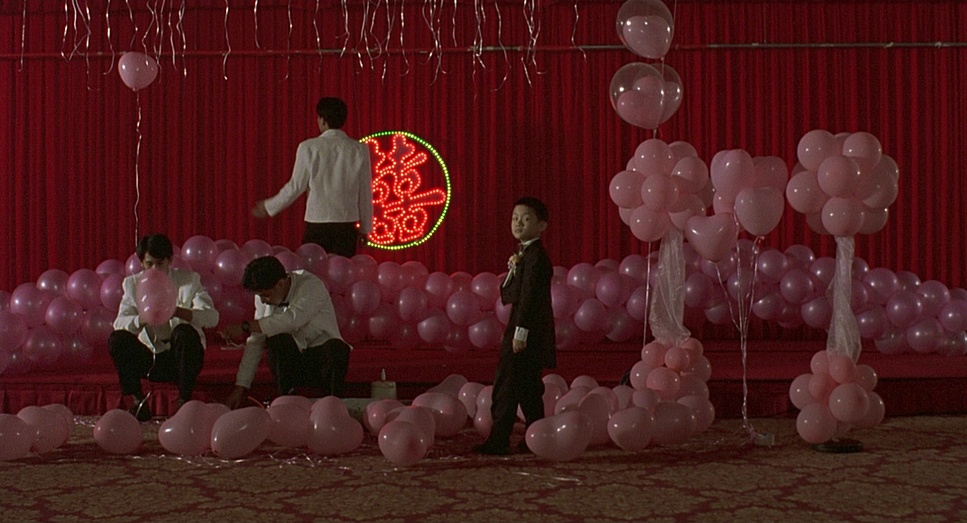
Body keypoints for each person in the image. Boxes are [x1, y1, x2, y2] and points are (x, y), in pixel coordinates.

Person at [474, 197, 556, 455]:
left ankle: (499, 439)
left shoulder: (536, 257)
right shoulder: (525, 254)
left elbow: (528, 299)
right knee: (528, 386)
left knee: (507, 383)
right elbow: (511, 294)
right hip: (527, 327)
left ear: (542, 225)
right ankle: (537, 437)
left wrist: (520, 332)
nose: (518, 223)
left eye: (526, 219)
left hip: (525, 329)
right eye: (515, 218)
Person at [109, 234, 219, 421]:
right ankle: (137, 401)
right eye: (149, 264)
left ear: (170, 260)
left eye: (160, 263)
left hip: (182, 358)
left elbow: (212, 318)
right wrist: (142, 319)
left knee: (183, 332)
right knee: (117, 339)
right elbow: (119, 323)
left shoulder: (189, 280)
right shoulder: (132, 284)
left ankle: (184, 401)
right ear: (141, 263)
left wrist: (177, 312)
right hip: (151, 359)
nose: (154, 269)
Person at [221, 255, 352, 409]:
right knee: (277, 341)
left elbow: (292, 320)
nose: (263, 301)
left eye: (265, 295)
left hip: (322, 359)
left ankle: (333, 405)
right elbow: (256, 341)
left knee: (336, 348)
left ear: (281, 284)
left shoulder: (311, 286)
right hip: (293, 361)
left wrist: (245, 326)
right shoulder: (264, 300)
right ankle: (287, 401)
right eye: (259, 296)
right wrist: (241, 387)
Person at [251, 97, 373, 258]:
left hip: (317, 221)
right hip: (346, 224)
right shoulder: (359, 149)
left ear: (322, 120)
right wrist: (366, 228)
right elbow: (365, 192)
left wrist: (269, 207)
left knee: (312, 270)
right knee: (343, 270)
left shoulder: (308, 147)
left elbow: (295, 186)